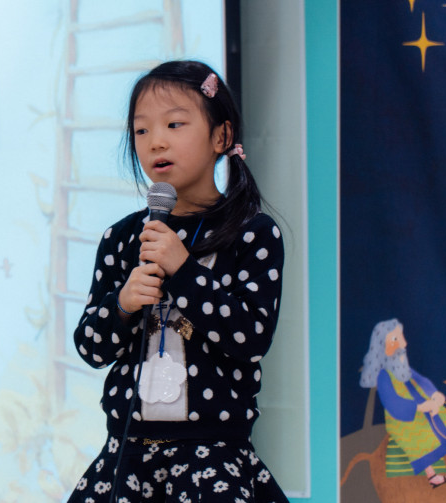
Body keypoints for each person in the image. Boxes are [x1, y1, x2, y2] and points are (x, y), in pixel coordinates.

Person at [67, 60, 288, 502]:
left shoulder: (252, 232)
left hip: (213, 455)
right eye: (141, 130)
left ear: (221, 137)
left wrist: (184, 271)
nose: (156, 141)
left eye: (174, 124)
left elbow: (250, 338)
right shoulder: (121, 238)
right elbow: (91, 348)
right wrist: (123, 304)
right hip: (127, 457)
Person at [360, 318, 446, 489]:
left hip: (421, 404)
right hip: (403, 416)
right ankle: (432, 475)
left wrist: (435, 395)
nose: (403, 343)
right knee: (420, 433)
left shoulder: (402, 366)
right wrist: (419, 407)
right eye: (396, 339)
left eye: (401, 337)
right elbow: (392, 402)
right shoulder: (383, 375)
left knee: (445, 415)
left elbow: (422, 381)